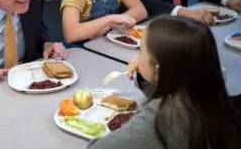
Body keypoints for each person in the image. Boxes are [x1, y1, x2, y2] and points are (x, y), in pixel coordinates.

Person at [88, 16, 241, 149]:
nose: (137, 56)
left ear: (158, 69)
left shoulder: (159, 121)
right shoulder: (210, 89)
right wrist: (146, 73)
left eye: (140, 50)